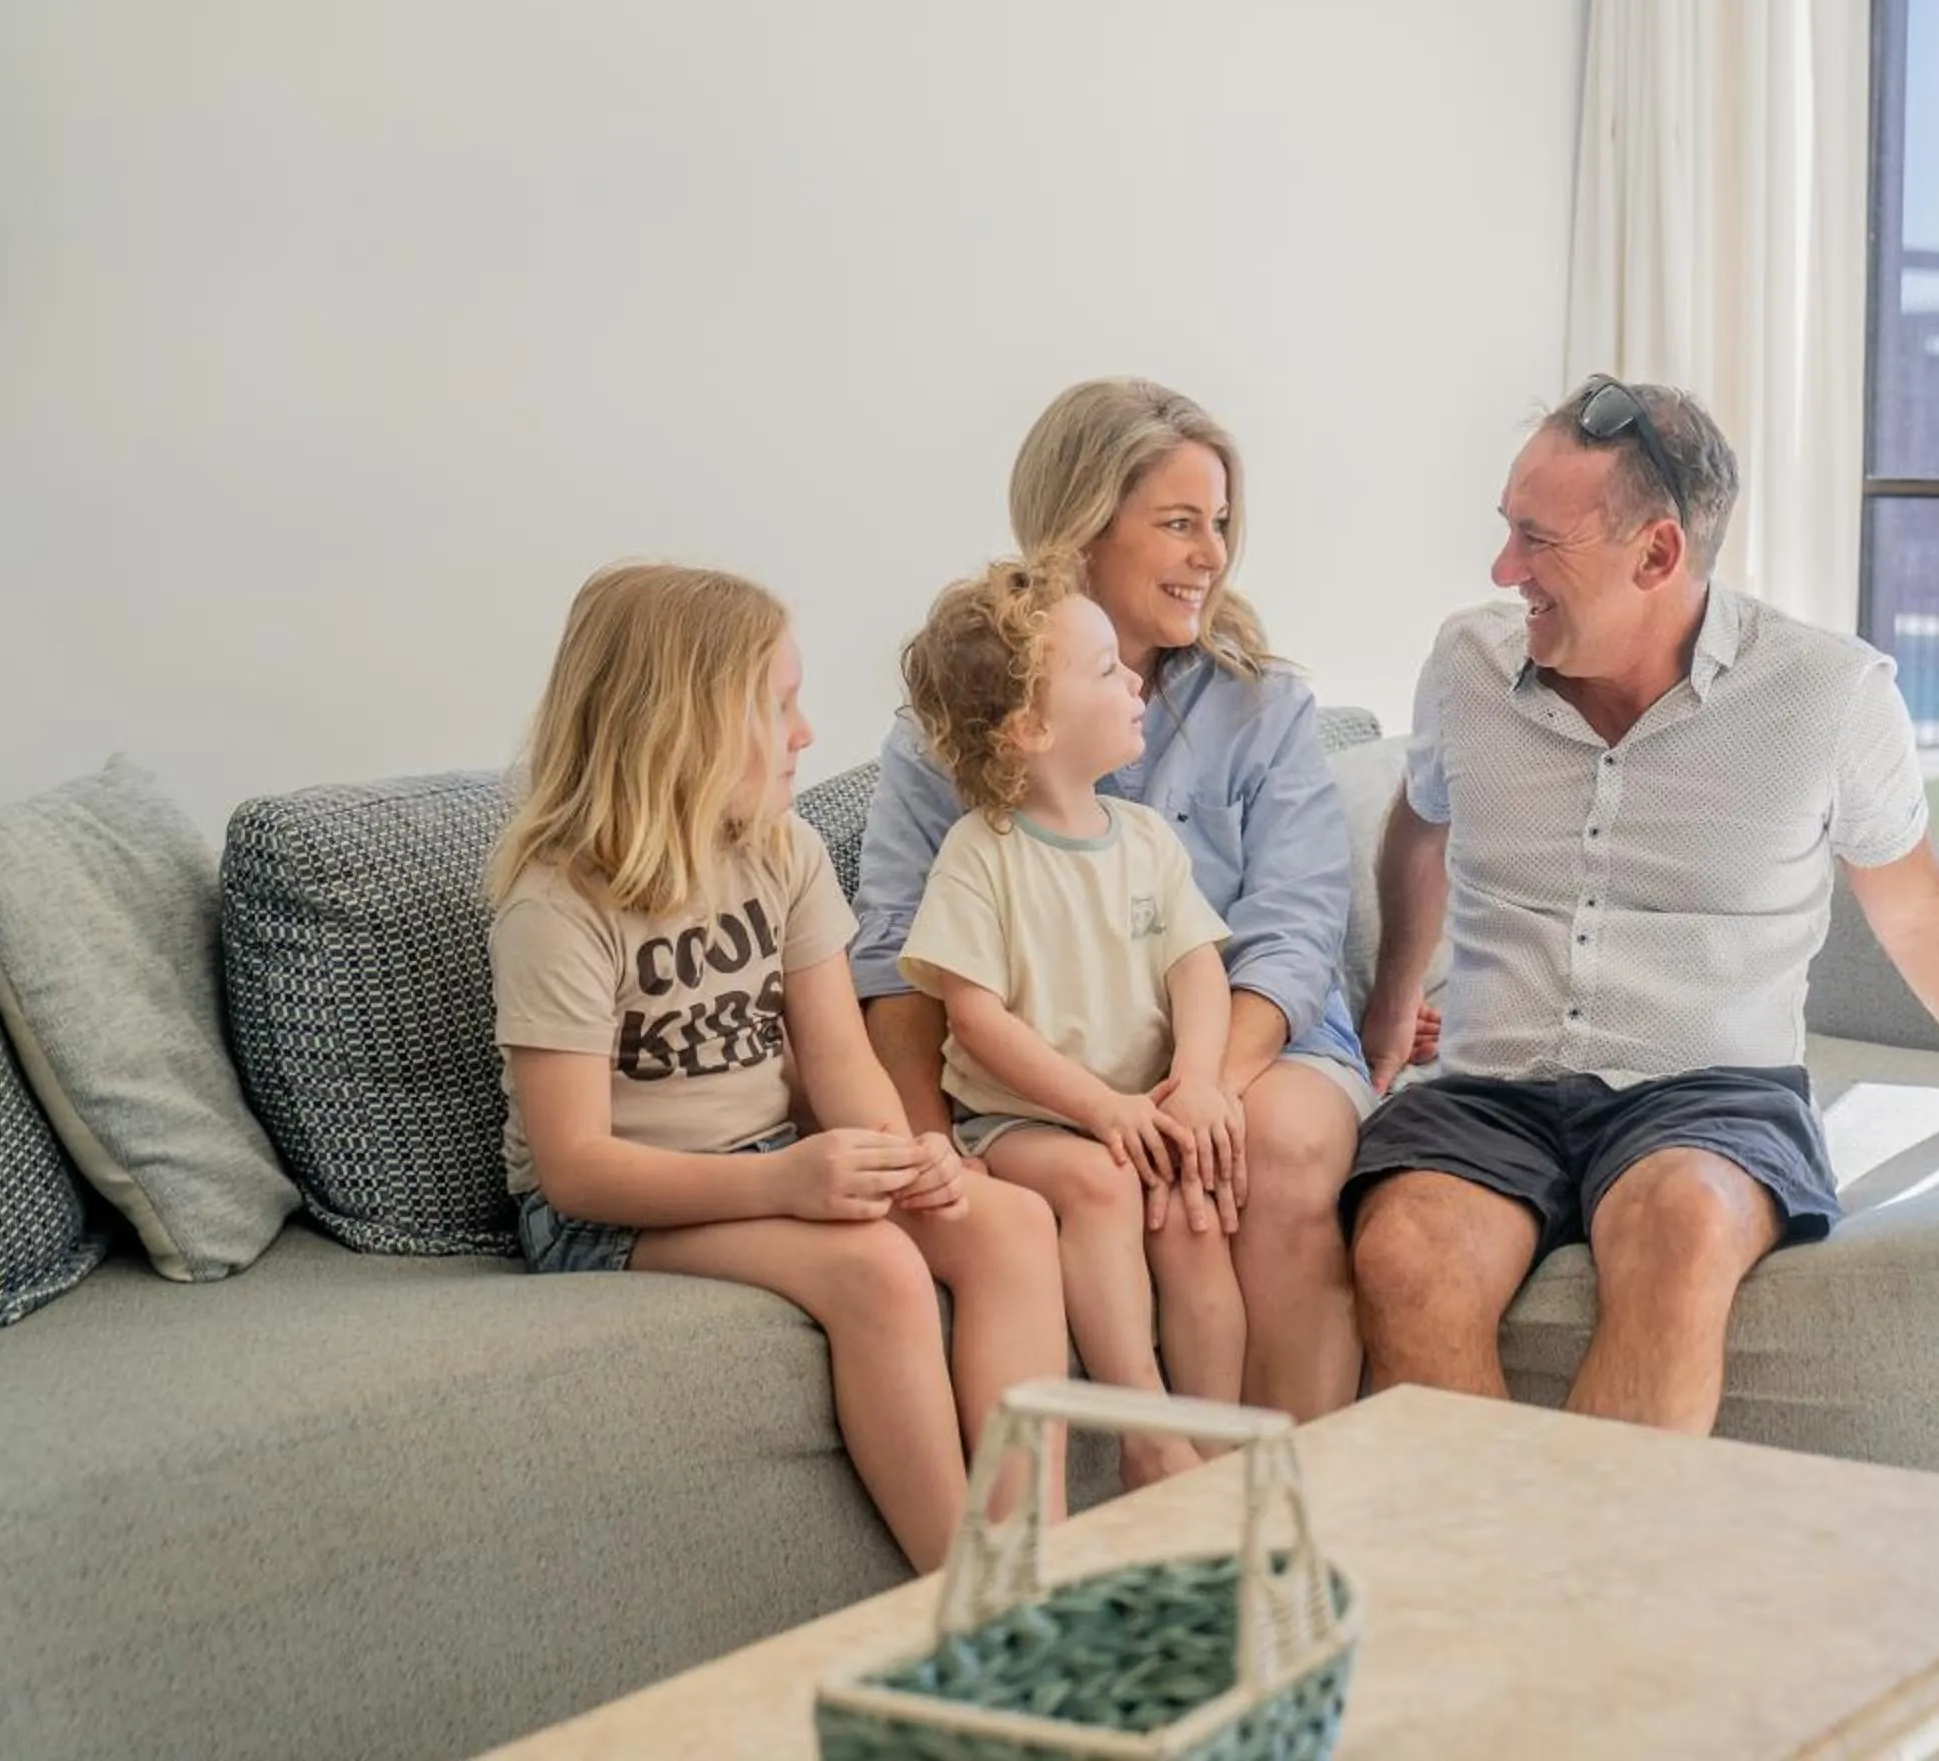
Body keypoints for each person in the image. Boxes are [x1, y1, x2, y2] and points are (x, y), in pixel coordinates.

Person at [1346, 378, 1939, 1434]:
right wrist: (1388, 1010)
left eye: (1537, 541)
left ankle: (1580, 1546)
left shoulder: (1826, 693)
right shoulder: (1466, 666)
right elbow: (1422, 824)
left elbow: (1917, 902)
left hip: (1709, 1090)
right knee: (1406, 1249)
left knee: (1685, 1223)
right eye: (1509, 530)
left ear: (1657, 554)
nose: (1506, 571)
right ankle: (1502, 1544)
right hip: (1493, 1085)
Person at [487, 562, 1068, 1571]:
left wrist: (902, 1153)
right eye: (779, 705)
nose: (806, 732)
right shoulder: (557, 905)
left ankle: (1036, 1563)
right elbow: (574, 1166)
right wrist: (784, 1182)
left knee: (1009, 1221)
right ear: (680, 724)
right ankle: (967, 1598)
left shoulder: (783, 851)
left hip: (767, 1160)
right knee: (878, 1269)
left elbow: (838, 1058)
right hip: (607, 1215)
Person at [854, 377, 1388, 1421]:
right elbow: (898, 958)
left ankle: (1279, 1491)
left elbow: (1293, 932)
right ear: (1082, 530)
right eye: (1179, 523)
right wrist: (929, 1156)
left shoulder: (1265, 704)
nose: (1212, 555)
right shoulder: (953, 730)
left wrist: (1202, 1091)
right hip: (1051, 1067)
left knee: (1272, 1151)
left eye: (1220, 523)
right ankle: (1176, 1464)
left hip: (1249, 1037)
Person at [895, 557, 1245, 1483]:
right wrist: (1100, 1110)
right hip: (1021, 1124)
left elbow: (1197, 968)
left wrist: (1197, 1080)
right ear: (1030, 727)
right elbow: (976, 1020)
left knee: (1196, 1222)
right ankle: (1145, 1435)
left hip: (1141, 1112)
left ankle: (1213, 1460)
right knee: (1098, 1183)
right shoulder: (981, 854)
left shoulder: (1147, 841)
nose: (1135, 680)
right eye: (1104, 670)